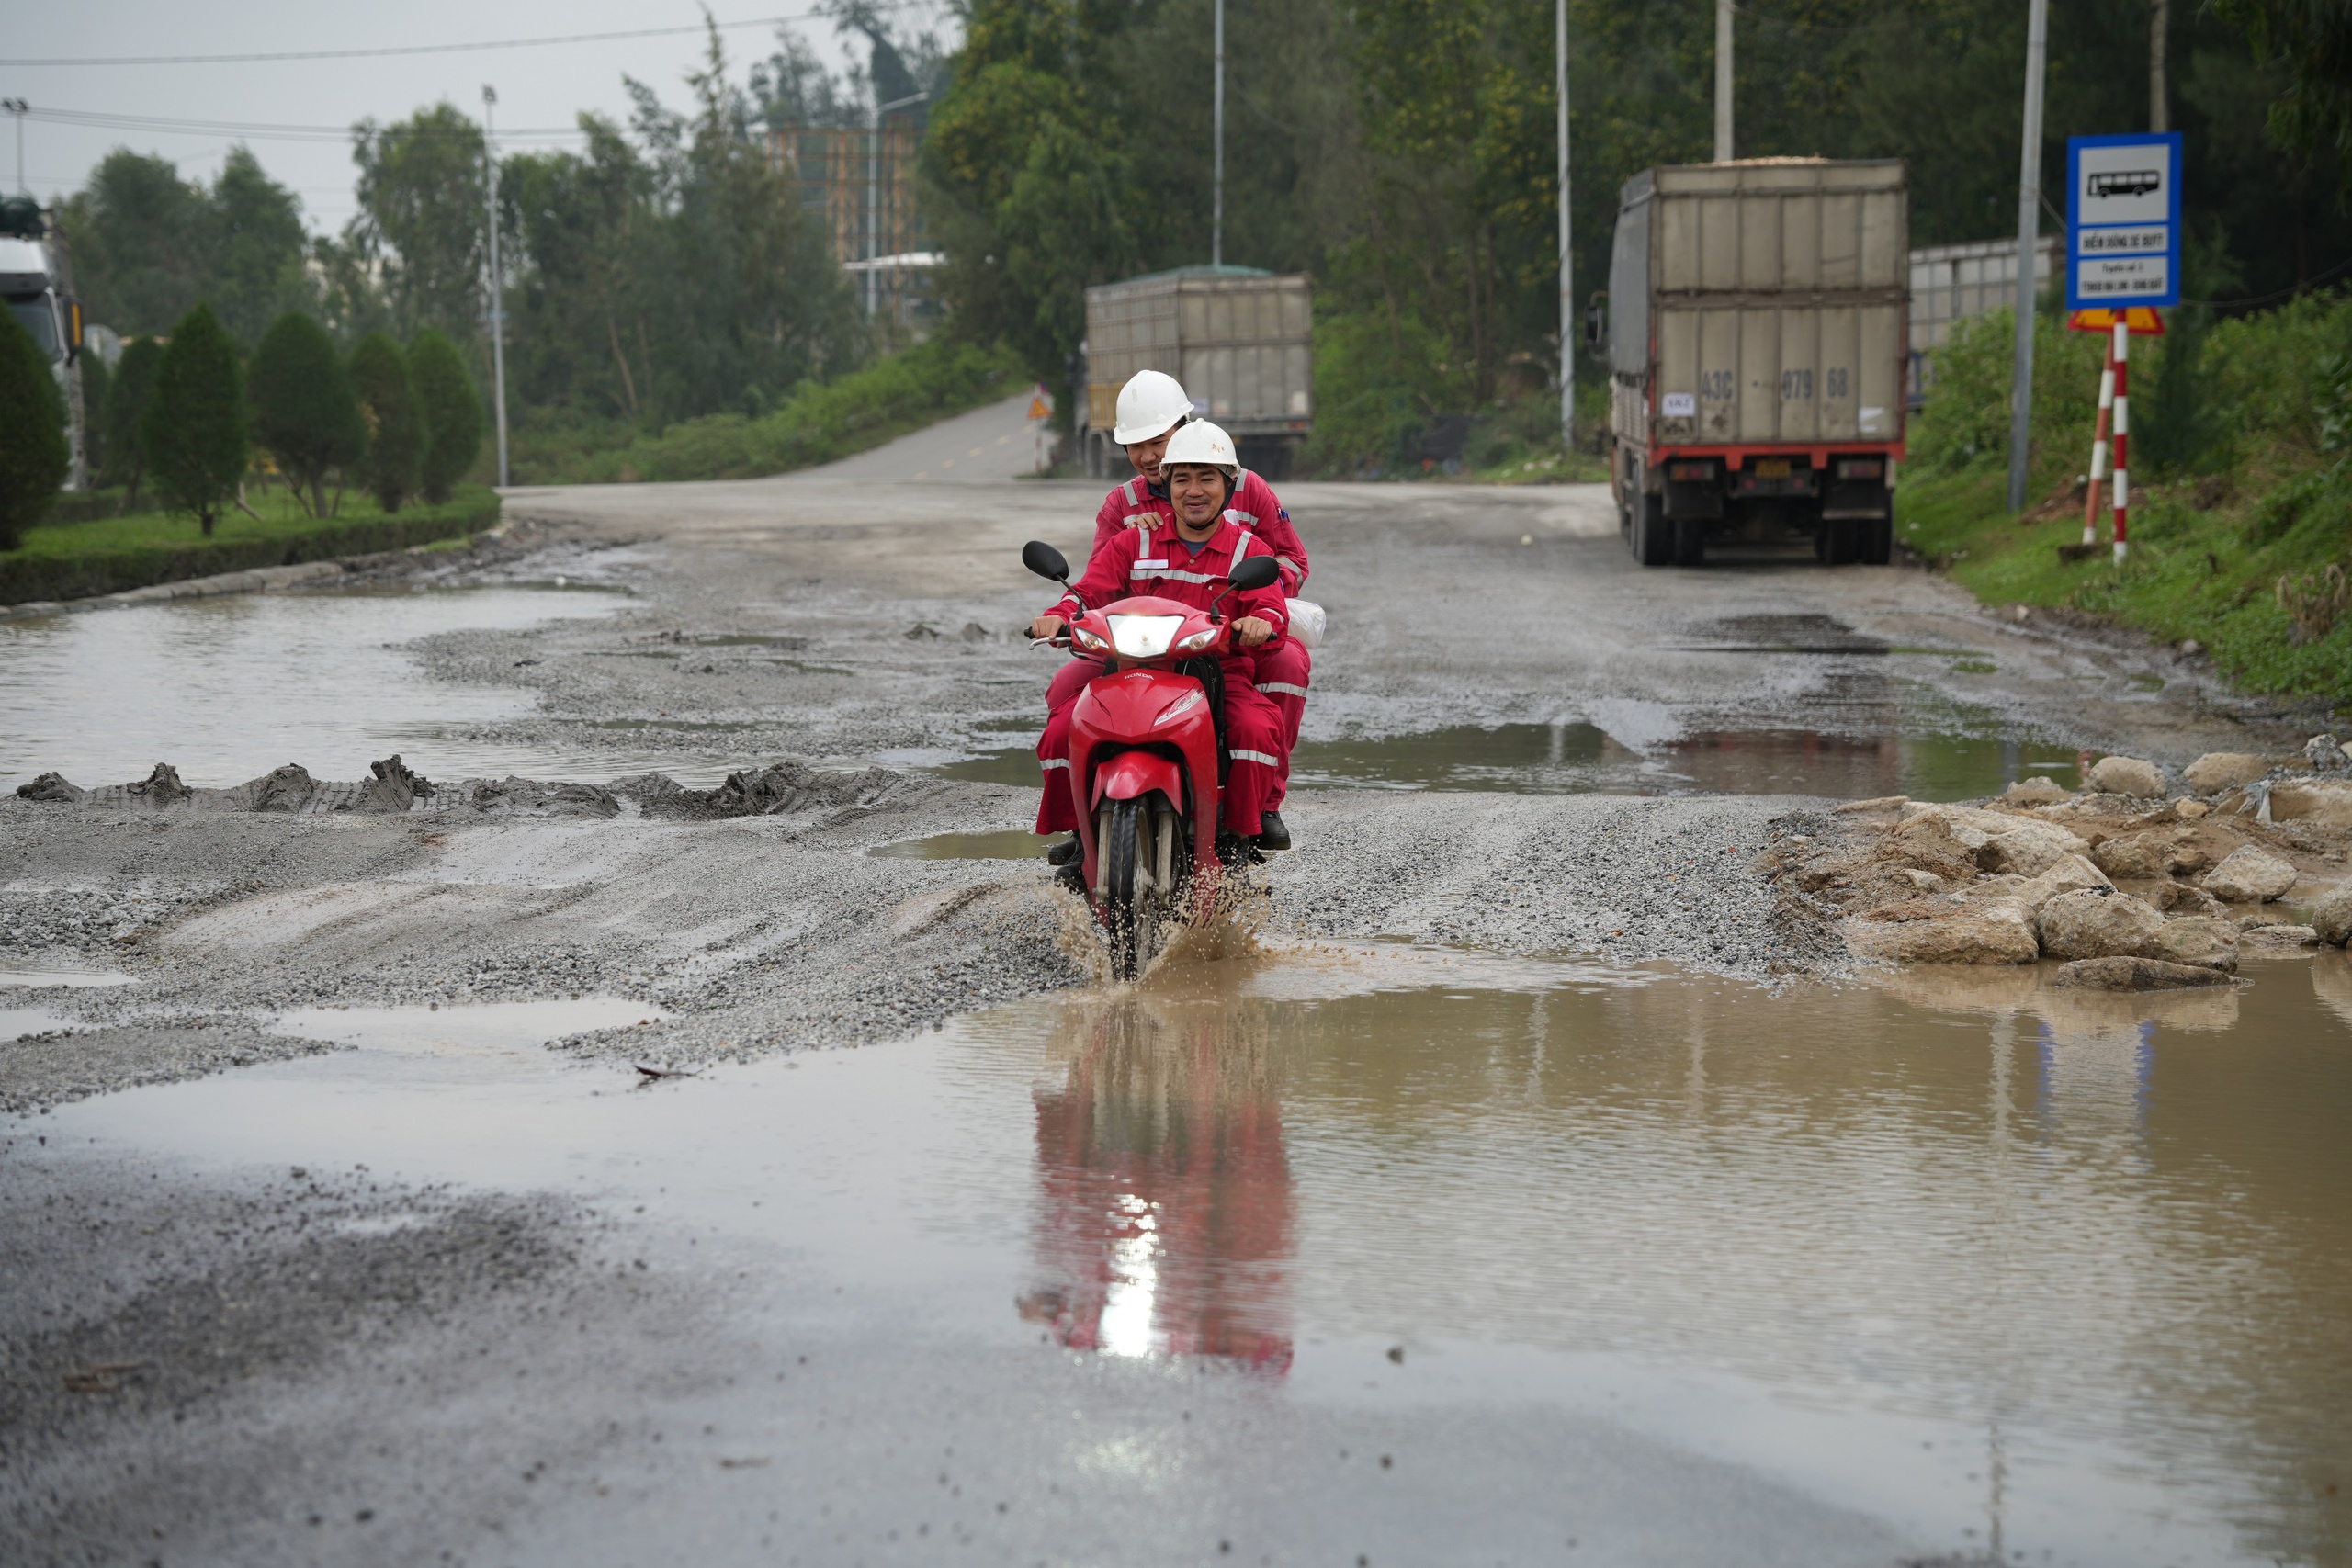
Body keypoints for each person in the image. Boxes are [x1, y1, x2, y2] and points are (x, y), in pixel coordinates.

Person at [1046, 370, 1311, 851]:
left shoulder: (1249, 503)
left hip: (1225, 641)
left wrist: (1254, 607)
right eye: (1137, 446)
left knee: (1277, 684)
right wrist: (1062, 614)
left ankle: (1257, 811)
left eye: (1158, 441)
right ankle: (1081, 826)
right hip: (1138, 645)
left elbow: (1289, 561)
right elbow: (1096, 585)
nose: (1149, 456)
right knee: (1065, 696)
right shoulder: (1127, 516)